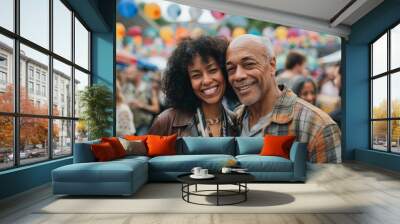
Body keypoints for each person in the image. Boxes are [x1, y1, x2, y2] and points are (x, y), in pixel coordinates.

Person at [226, 34, 341, 163]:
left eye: (249, 64)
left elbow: (329, 182)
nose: (238, 76)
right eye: (231, 69)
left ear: (272, 65)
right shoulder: (233, 120)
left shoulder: (317, 126)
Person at [148, 36, 237, 137]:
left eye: (212, 70)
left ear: (225, 71)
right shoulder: (167, 121)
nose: (206, 80)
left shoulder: (236, 122)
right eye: (196, 75)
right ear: (186, 81)